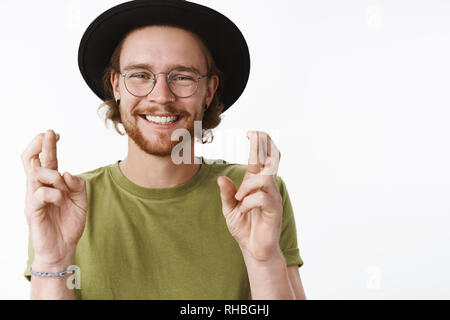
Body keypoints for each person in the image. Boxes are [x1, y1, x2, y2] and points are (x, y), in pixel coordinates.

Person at [21, 0, 306, 300]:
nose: (161, 96)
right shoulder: (63, 204)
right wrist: (52, 261)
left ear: (209, 91)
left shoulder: (253, 196)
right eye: (140, 75)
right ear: (116, 85)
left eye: (182, 77)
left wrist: (264, 261)